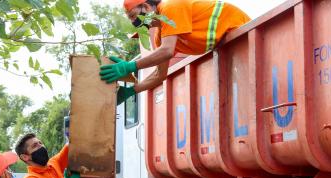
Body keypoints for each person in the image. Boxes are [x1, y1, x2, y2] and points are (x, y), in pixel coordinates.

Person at [99, 0, 251, 103]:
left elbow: (167, 51)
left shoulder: (172, 7)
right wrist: (131, 91)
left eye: (133, 16)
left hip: (242, 31)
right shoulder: (162, 35)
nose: (133, 23)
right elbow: (160, 75)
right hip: (228, 44)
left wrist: (129, 66)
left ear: (145, 7)